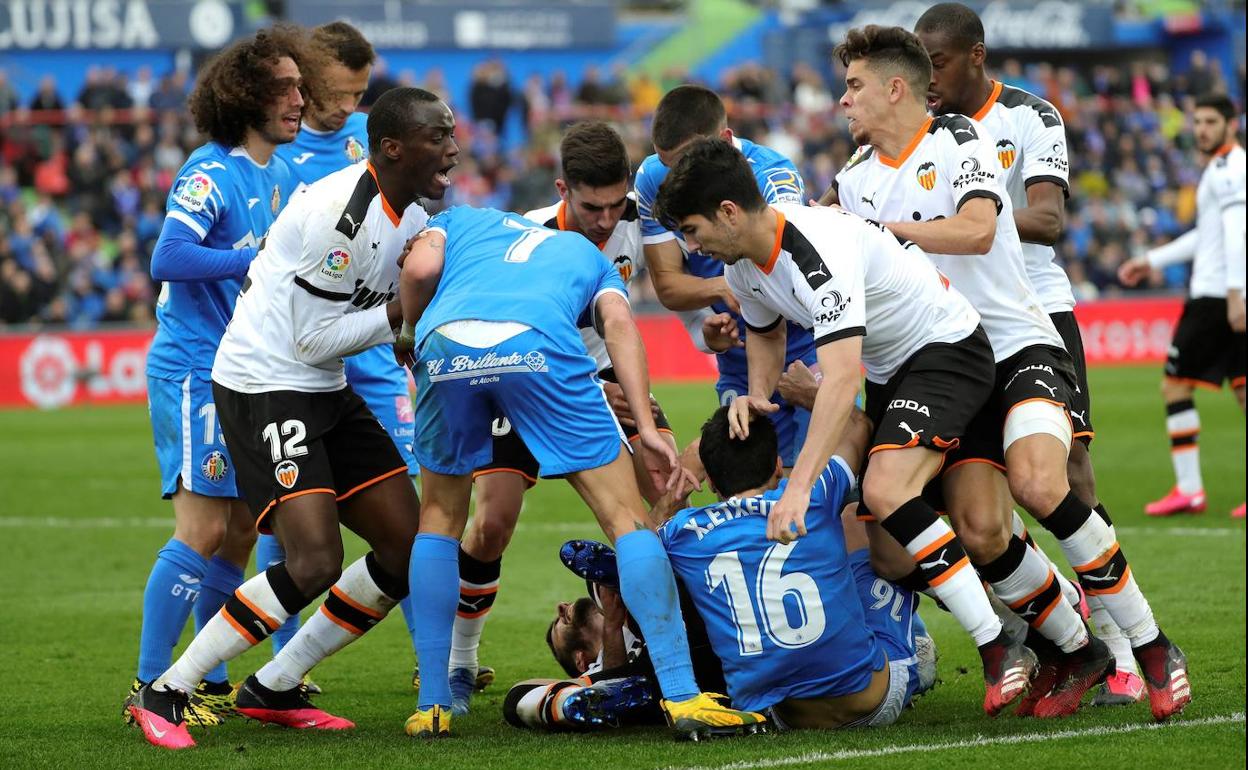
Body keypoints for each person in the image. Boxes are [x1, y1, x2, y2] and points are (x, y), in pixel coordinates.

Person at [830, 24, 1185, 721]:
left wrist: (886, 235)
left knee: (1041, 481)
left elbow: (979, 229)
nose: (843, 102)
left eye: (854, 86)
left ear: (894, 88)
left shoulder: (959, 140)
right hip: (943, 365)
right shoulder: (852, 181)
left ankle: (1149, 645)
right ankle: (1074, 650)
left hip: (1020, 345)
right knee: (983, 528)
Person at [652, 136, 1036, 717]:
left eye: (693, 229)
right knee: (895, 554)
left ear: (729, 213)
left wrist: (799, 488)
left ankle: (1000, 647)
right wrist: (755, 400)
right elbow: (766, 334)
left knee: (890, 492)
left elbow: (837, 381)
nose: (691, 245)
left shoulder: (815, 251)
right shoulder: (747, 266)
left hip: (945, 347)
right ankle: (1059, 627)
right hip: (895, 367)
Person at [125, 87, 460, 750]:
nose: (453, 146)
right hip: (265, 386)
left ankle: (272, 686)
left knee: (405, 547)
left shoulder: (415, 206)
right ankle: (165, 689)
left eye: (452, 132)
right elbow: (312, 339)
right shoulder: (342, 215)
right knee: (314, 560)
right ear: (393, 148)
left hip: (321, 387)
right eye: (438, 136)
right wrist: (400, 316)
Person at [394, 205, 766, 740]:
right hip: (537, 345)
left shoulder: (458, 220)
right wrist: (647, 426)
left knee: (440, 519)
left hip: (445, 344)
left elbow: (419, 270)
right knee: (625, 520)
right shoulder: (588, 257)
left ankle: (434, 705)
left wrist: (408, 332)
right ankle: (683, 697)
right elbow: (619, 327)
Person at [913, 0, 1146, 707]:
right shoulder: (919, 131)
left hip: (1036, 306)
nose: (926, 79)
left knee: (1069, 471)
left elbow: (1046, 218)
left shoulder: (1030, 116)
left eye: (939, 64)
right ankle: (1057, 627)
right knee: (972, 495)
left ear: (975, 56)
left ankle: (1127, 647)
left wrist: (967, 216)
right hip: (953, 318)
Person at [444, 121, 712, 714]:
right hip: (522, 375)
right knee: (491, 525)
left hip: (605, 378)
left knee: (667, 489)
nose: (606, 220)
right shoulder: (530, 235)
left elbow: (674, 282)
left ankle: (674, 644)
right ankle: (459, 663)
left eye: (617, 205)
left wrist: (707, 327)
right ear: (563, 190)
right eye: (593, 207)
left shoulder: (643, 219)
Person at [129, 25, 310, 725]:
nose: (300, 99)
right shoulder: (209, 172)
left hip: (244, 372)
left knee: (238, 532)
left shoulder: (283, 175)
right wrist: (253, 261)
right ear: (246, 97)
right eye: (285, 88)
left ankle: (207, 680)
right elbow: (168, 258)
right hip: (195, 370)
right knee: (202, 530)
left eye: (300, 85)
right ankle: (150, 687)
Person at [263, 20, 423, 682]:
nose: (347, 105)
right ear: (307, 79)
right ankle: (284, 664)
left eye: (361, 93)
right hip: (300, 360)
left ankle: (431, 658)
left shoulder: (370, 147)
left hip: (375, 358)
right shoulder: (275, 155)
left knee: (411, 505)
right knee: (288, 523)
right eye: (338, 90)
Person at [635, 85, 817, 470]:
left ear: (722, 142)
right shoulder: (653, 178)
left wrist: (732, 290)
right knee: (745, 491)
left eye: (684, 162)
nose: (675, 178)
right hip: (737, 359)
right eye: (667, 165)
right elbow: (667, 284)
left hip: (808, 350)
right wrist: (710, 317)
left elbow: (788, 274)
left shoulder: (773, 177)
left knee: (825, 485)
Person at [1118, 93, 1245, 520]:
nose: (1202, 129)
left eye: (1211, 121)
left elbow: (1235, 233)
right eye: (1198, 122)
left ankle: (1189, 490)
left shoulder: (1228, 169)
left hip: (1216, 296)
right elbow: (1208, 236)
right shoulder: (1224, 169)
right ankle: (1189, 490)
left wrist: (1233, 294)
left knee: (1174, 386)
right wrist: (1151, 260)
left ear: (1231, 124)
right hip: (1228, 292)